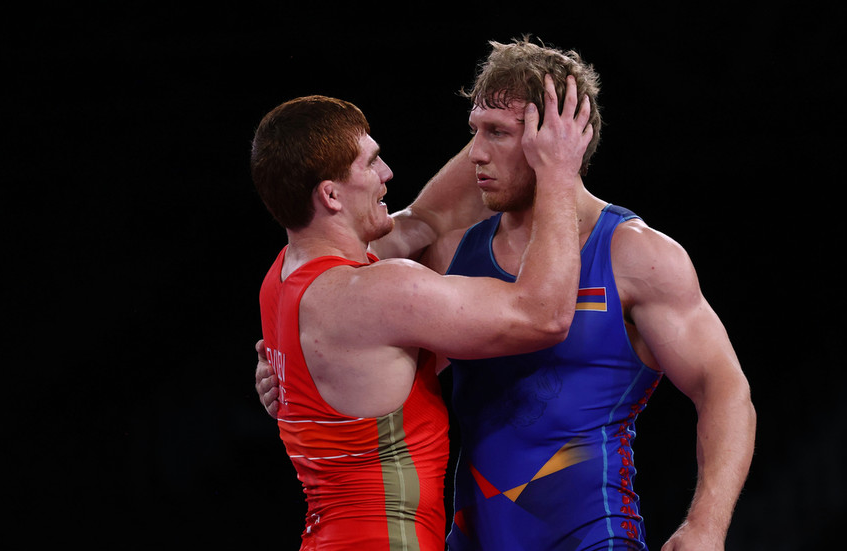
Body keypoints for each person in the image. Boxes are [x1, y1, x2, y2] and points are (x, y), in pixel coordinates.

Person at [257, 37, 756, 550]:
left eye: (496, 132)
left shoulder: (637, 256)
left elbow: (723, 388)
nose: (475, 153)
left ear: (557, 139)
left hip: (592, 537)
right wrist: (295, 377)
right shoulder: (452, 253)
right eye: (474, 131)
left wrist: (706, 524)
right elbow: (359, 329)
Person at [251, 77, 594, 550]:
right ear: (331, 195)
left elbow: (428, 218)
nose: (387, 172)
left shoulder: (283, 277)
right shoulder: (376, 291)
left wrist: (515, 112)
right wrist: (556, 171)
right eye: (371, 162)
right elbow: (544, 316)